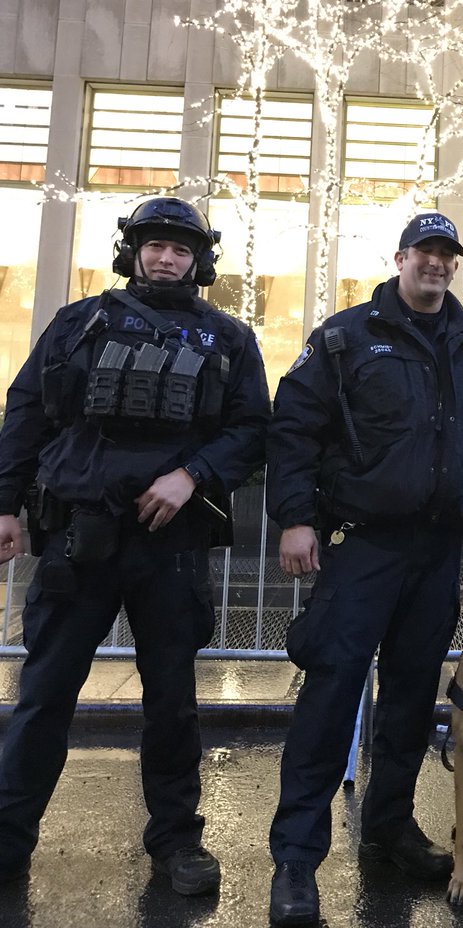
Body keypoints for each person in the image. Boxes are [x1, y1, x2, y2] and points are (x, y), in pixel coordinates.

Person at [0, 197, 270, 894]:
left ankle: (177, 842)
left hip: (168, 545)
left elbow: (252, 430)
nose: (167, 257)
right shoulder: (76, 322)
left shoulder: (229, 339)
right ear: (133, 251)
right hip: (77, 537)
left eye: (181, 249)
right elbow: (26, 412)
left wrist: (192, 475)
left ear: (199, 260)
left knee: (172, 703)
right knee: (44, 696)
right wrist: (4, 504)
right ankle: (6, 840)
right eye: (156, 245)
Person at [265, 211, 463, 927]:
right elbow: (293, 430)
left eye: (447, 255)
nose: (435, 264)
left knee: (410, 699)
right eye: (424, 253)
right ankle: (296, 859)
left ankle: (388, 829)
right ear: (401, 258)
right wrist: (295, 518)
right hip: (362, 547)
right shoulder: (344, 337)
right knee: (331, 697)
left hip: (437, 552)